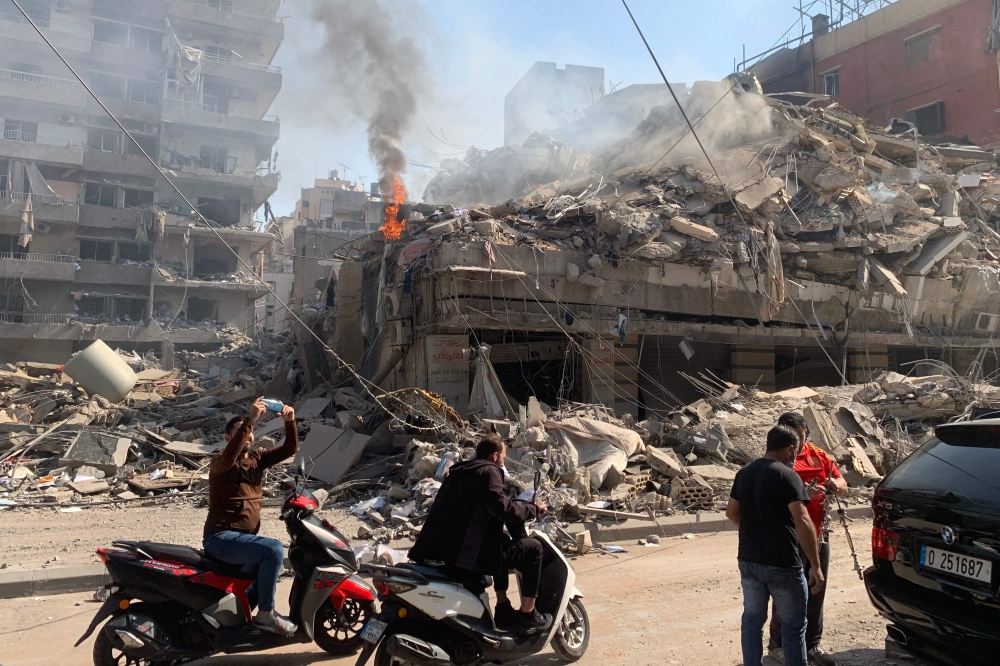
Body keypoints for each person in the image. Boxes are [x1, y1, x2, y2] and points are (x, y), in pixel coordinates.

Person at [409, 433, 550, 633]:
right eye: (503, 457)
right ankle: (528, 614)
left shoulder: (460, 472)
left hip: (444, 551)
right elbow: (503, 508)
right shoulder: (489, 471)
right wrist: (534, 509)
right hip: (467, 556)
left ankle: (502, 606)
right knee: (534, 549)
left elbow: (486, 507)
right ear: (494, 456)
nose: (503, 462)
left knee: (499, 539)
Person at [726, 425, 825, 666]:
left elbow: (731, 512)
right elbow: (802, 520)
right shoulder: (788, 476)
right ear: (791, 449)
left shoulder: (744, 473)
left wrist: (755, 531)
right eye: (796, 451)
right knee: (793, 626)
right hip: (783, 564)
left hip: (749, 561)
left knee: (752, 620)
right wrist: (815, 565)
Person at [203, 398, 299, 635]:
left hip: (243, 541)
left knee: (266, 565)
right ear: (228, 439)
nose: (248, 436)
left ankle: (239, 619)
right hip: (221, 538)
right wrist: (251, 419)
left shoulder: (256, 459)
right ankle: (266, 615)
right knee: (274, 550)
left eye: (251, 432)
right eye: (242, 432)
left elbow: (289, 450)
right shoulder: (220, 463)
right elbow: (230, 454)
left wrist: (290, 422)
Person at [767, 412, 848, 666]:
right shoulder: (780, 459)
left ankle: (813, 644)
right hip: (789, 536)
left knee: (817, 588)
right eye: (797, 438)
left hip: (817, 534)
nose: (800, 443)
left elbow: (843, 482)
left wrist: (835, 484)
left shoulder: (819, 455)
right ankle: (778, 645)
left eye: (802, 437)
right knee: (787, 593)